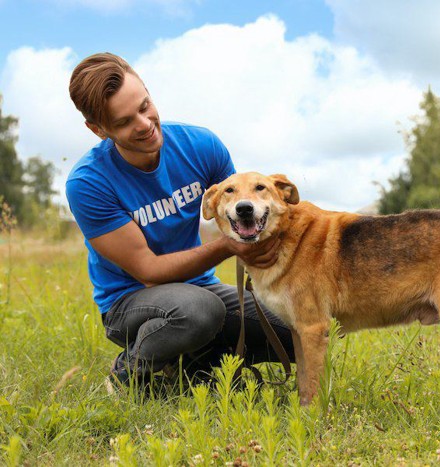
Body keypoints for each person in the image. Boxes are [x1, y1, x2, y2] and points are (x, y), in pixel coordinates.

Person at [65, 52, 294, 388]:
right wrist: (229, 247)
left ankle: (195, 365)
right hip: (129, 302)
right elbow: (148, 271)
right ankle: (127, 372)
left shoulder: (201, 146)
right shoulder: (88, 183)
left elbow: (241, 212)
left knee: (300, 322)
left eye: (145, 106)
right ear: (98, 129)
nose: (144, 124)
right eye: (125, 122)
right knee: (199, 311)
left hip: (202, 289)